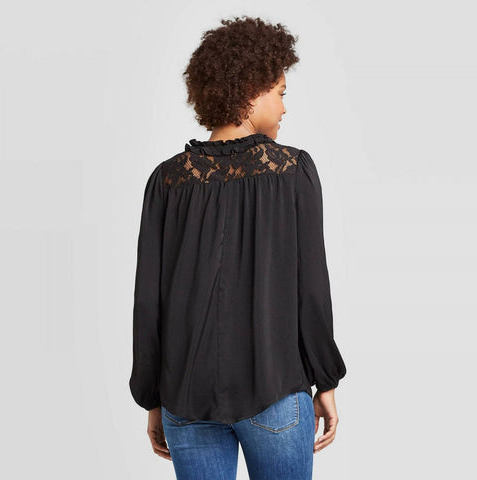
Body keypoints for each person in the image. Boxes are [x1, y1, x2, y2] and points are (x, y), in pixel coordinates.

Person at [129, 15, 347, 479]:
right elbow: (312, 288)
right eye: (281, 92)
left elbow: (149, 301)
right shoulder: (293, 171)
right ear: (250, 92)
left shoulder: (167, 182)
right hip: (275, 391)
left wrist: (152, 398)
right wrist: (325, 380)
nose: (285, 107)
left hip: (185, 398)